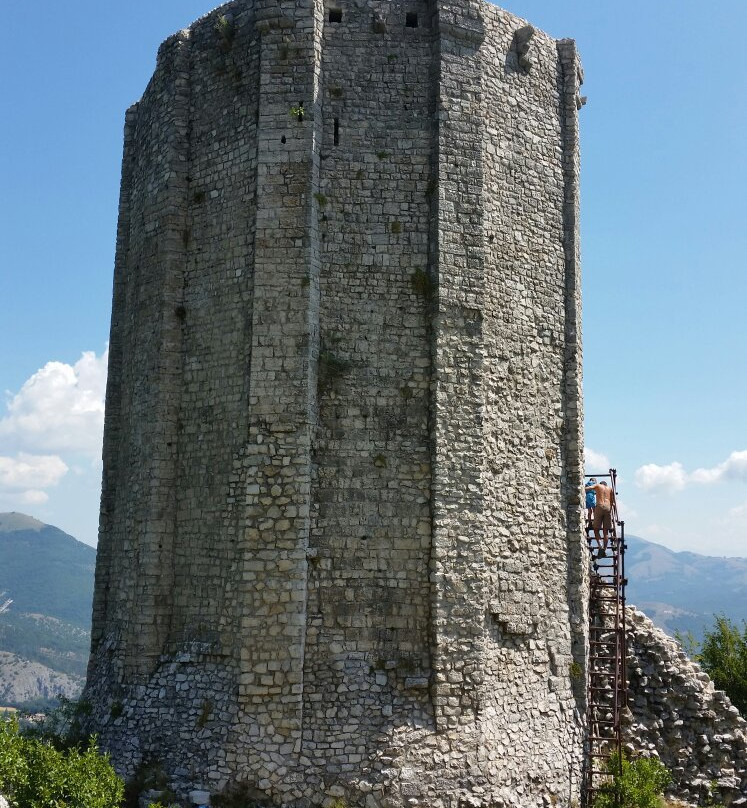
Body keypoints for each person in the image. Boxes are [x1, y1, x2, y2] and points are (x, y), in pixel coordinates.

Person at [585, 479, 615, 556]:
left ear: (601, 484)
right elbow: (612, 502)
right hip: (608, 508)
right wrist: (610, 511)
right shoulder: (610, 489)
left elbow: (589, 488)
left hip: (599, 506)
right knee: (606, 531)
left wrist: (582, 488)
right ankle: (604, 550)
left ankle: (600, 546)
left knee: (596, 529)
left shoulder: (598, 486)